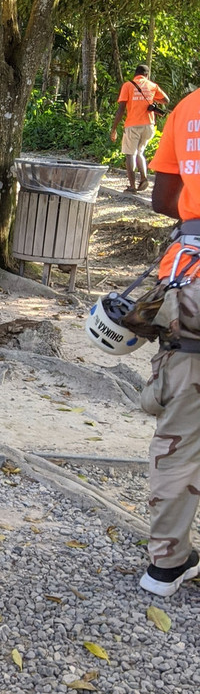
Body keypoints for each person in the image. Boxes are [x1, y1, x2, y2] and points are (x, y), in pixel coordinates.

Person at [139, 84, 200, 596]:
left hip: (189, 282)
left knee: (180, 434)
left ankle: (166, 564)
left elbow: (163, 198)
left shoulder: (187, 108)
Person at [110, 64, 169, 192]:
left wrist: (114, 128)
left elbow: (121, 109)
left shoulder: (128, 85)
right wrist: (153, 99)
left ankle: (132, 186)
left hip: (133, 125)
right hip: (149, 125)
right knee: (140, 152)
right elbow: (166, 100)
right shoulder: (152, 85)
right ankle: (143, 178)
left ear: (135, 74)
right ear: (147, 75)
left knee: (130, 154)